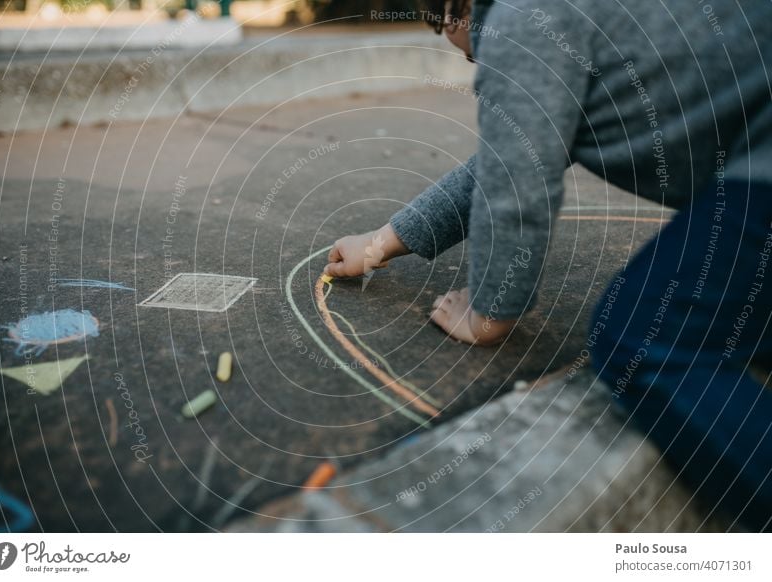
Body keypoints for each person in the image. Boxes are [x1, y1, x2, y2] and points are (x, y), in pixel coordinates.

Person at [323, 0, 771, 530]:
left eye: (474, 57)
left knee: (642, 332)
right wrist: (379, 243)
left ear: (457, 11)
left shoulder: (517, 18)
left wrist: (491, 308)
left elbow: (516, 185)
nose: (484, 66)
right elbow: (507, 157)